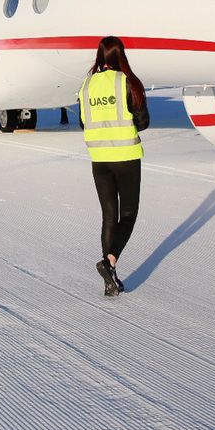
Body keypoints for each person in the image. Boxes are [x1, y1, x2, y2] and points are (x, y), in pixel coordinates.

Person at [78, 36, 150, 296]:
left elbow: (83, 123)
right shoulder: (128, 82)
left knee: (109, 217)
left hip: (99, 160)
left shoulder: (86, 86)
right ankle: (109, 262)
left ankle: (110, 279)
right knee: (128, 216)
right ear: (121, 55)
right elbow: (143, 122)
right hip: (126, 157)